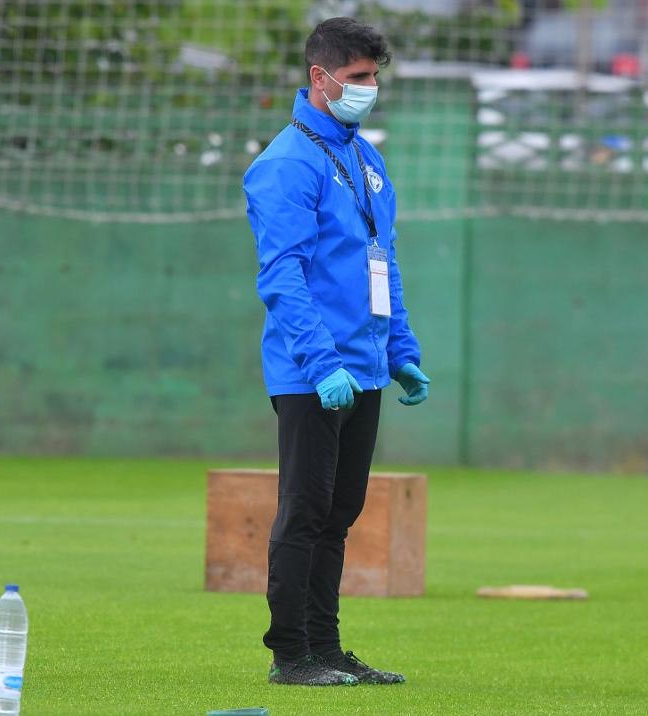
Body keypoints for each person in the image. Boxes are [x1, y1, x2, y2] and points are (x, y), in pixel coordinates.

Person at [242, 17, 429, 688]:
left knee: (341, 513)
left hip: (367, 368)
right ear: (320, 78)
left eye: (375, 76)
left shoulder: (364, 158)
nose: (369, 88)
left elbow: (384, 260)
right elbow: (282, 276)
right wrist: (323, 364)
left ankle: (327, 648)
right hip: (312, 373)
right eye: (356, 78)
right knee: (306, 509)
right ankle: (290, 653)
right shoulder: (285, 164)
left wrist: (400, 348)